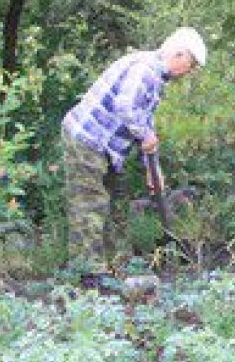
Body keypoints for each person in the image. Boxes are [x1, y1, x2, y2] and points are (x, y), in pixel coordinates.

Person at [61, 27, 206, 282]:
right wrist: (146, 136)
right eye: (191, 65)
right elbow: (127, 109)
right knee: (89, 203)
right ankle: (88, 274)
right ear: (179, 54)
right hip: (87, 137)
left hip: (105, 146)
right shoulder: (145, 69)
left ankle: (117, 267)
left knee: (113, 204)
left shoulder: (156, 78)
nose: (189, 72)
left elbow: (145, 124)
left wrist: (153, 169)